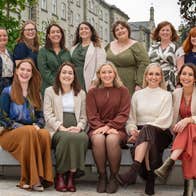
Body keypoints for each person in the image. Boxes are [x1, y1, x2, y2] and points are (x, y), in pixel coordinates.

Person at [116, 63, 173, 195]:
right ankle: (150, 179)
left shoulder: (166, 95)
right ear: (146, 76)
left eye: (157, 74)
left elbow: (165, 119)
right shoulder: (137, 95)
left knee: (148, 131)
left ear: (161, 77)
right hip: (142, 134)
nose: (154, 77)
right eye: (150, 74)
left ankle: (133, 171)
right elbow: (131, 119)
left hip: (161, 131)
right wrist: (132, 130)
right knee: (147, 139)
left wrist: (142, 131)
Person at [0, 59, 53, 191]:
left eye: (28, 70)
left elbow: (41, 117)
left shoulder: (35, 93)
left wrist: (39, 125)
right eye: (22, 69)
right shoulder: (7, 91)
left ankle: (44, 177)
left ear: (32, 73)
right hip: (9, 133)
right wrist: (23, 127)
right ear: (16, 71)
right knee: (29, 131)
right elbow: (2, 117)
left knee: (45, 134)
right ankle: (30, 180)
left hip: (30, 131)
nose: (25, 72)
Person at [44, 62, 88, 192]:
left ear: (74, 76)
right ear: (59, 75)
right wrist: (60, 127)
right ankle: (60, 175)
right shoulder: (50, 91)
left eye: (70, 73)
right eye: (64, 72)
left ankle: (71, 176)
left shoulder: (81, 93)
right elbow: (48, 114)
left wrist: (79, 127)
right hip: (57, 128)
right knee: (66, 138)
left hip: (75, 127)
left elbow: (84, 116)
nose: (67, 75)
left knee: (82, 138)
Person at [86, 62, 130, 194]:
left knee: (111, 139)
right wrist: (102, 127)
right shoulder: (92, 92)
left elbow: (124, 113)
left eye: (110, 72)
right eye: (103, 72)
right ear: (99, 75)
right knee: (98, 139)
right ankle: (102, 176)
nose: (107, 75)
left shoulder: (123, 91)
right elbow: (91, 115)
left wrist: (110, 126)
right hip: (96, 127)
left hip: (117, 128)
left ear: (115, 74)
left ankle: (113, 177)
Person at [154, 63, 196, 196]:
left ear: (195, 78)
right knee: (190, 146)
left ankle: (170, 162)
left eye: (190, 74)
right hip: (185, 135)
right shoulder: (176, 94)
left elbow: (188, 121)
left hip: (192, 129)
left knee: (189, 126)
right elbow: (172, 117)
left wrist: (189, 119)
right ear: (179, 76)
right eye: (184, 74)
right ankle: (188, 191)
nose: (186, 77)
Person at [105, 20, 149, 94]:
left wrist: (139, 83)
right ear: (114, 33)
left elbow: (144, 63)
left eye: (122, 28)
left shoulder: (136, 45)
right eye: (117, 30)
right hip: (111, 81)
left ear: (128, 29)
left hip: (130, 83)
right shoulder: (109, 45)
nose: (120, 31)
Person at [149, 21, 184, 91]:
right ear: (158, 32)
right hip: (154, 79)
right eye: (162, 30)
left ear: (172, 33)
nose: (165, 32)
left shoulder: (178, 47)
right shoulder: (152, 47)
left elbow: (181, 68)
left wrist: (179, 83)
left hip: (171, 80)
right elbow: (148, 64)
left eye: (168, 30)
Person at [70, 21, 106, 91]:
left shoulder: (98, 47)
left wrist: (94, 83)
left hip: (89, 81)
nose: (83, 30)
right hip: (74, 81)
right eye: (81, 29)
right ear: (78, 32)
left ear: (91, 32)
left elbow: (101, 67)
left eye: (86, 28)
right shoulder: (73, 48)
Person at [37, 23, 71, 95]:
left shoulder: (66, 52)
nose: (56, 34)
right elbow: (44, 71)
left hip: (65, 88)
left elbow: (70, 69)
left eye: (58, 32)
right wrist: (57, 84)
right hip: (48, 88)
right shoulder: (43, 51)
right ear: (48, 36)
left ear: (61, 34)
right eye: (53, 32)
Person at [0, 27, 14, 93]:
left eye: (5, 35)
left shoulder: (10, 54)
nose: (2, 37)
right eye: (0, 36)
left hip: (10, 85)